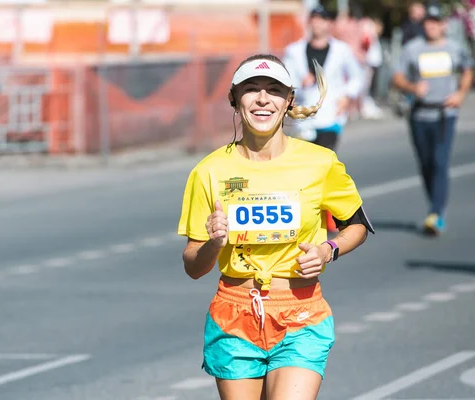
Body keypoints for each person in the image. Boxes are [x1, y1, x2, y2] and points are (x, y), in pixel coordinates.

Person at [177, 53, 374, 400]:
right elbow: (193, 266)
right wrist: (214, 243)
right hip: (234, 315)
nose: (263, 99)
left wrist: (328, 250)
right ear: (235, 100)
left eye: (274, 90)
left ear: (289, 101)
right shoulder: (208, 171)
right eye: (252, 89)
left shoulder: (320, 162)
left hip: (300, 313)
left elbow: (356, 226)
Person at [392, 3, 473, 236]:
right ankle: (434, 208)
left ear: (443, 25)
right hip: (419, 113)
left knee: (440, 160)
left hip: (444, 113)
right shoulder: (413, 48)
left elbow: (468, 69)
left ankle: (436, 213)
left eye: (437, 22)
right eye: (428, 22)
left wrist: (460, 94)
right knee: (427, 164)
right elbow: (397, 76)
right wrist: (411, 87)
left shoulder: (454, 48)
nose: (432, 27)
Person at [283, 5, 363, 232]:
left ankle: (330, 215)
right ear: (309, 22)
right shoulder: (294, 50)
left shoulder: (342, 50)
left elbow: (356, 77)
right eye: (315, 19)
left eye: (323, 19)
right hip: (303, 118)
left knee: (325, 165)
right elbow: (285, 80)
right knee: (304, 168)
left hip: (331, 115)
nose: (318, 24)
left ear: (329, 24)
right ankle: (308, 215)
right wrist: (297, 86)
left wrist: (347, 97)